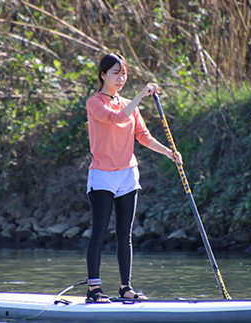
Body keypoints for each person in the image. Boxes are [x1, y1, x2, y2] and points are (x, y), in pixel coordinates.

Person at [85, 52, 182, 303]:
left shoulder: (129, 105)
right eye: (116, 73)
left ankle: (126, 288)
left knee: (124, 234)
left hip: (128, 174)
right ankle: (94, 289)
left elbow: (144, 136)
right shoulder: (94, 103)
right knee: (99, 232)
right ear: (103, 74)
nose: (121, 78)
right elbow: (116, 119)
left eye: (124, 73)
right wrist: (141, 95)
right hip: (102, 175)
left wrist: (170, 153)